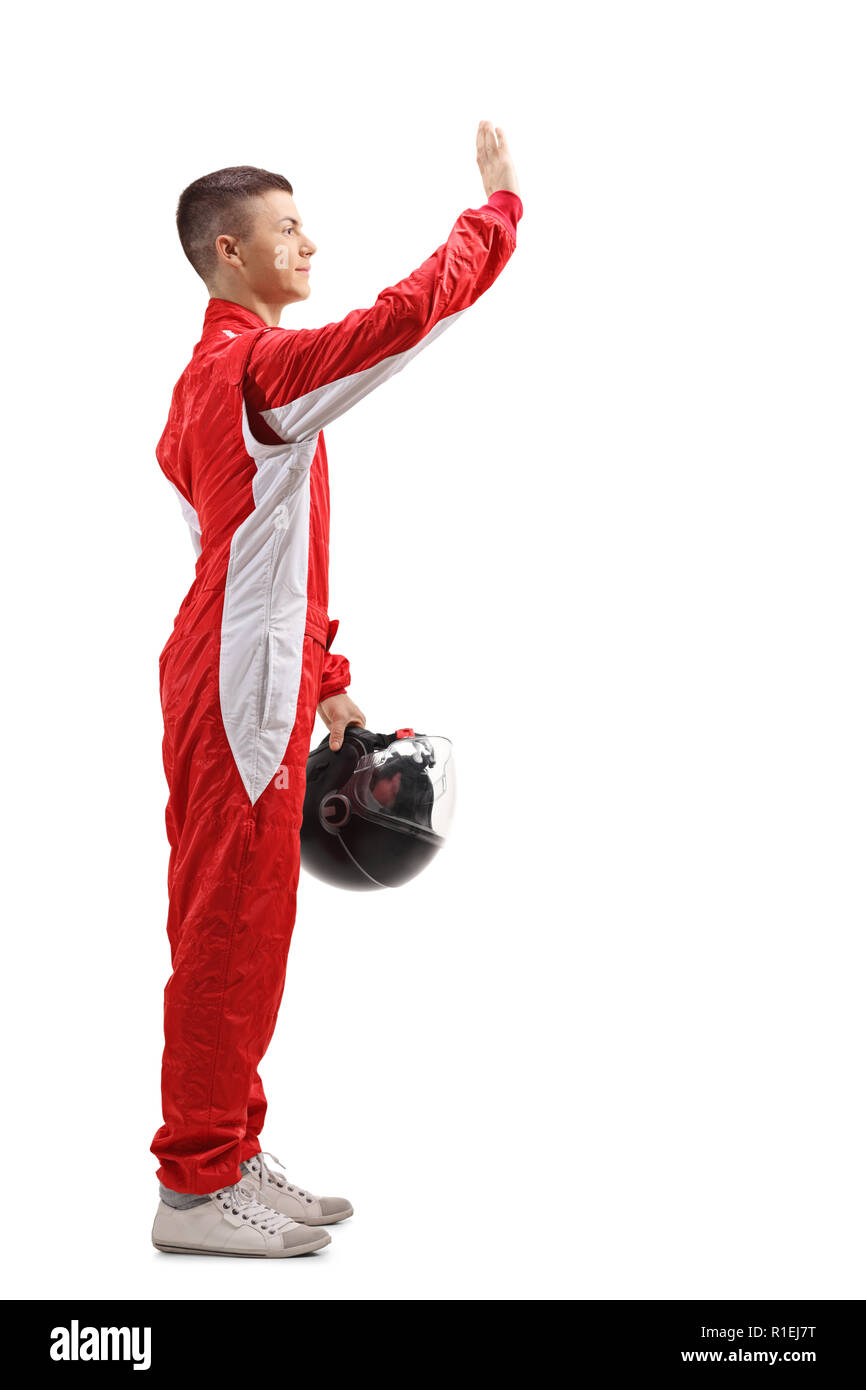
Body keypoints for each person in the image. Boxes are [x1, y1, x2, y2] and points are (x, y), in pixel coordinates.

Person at [150, 121, 524, 1258]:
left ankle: (227, 1149)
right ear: (229, 251)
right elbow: (399, 322)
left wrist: (324, 679)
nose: (310, 243)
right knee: (230, 928)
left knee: (246, 925)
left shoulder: (200, 388)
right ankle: (196, 1187)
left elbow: (247, 539)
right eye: (288, 228)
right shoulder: (257, 369)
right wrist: (494, 215)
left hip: (240, 670)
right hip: (234, 687)